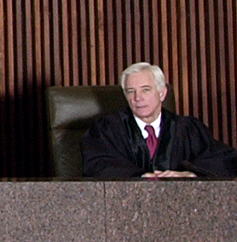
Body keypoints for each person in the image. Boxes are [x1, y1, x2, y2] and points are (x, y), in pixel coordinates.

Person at [81, 62, 237, 179]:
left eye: (146, 90)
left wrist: (191, 175)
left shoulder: (188, 128)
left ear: (162, 93)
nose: (137, 98)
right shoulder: (107, 128)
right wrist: (140, 177)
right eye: (131, 91)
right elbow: (98, 165)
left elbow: (223, 159)